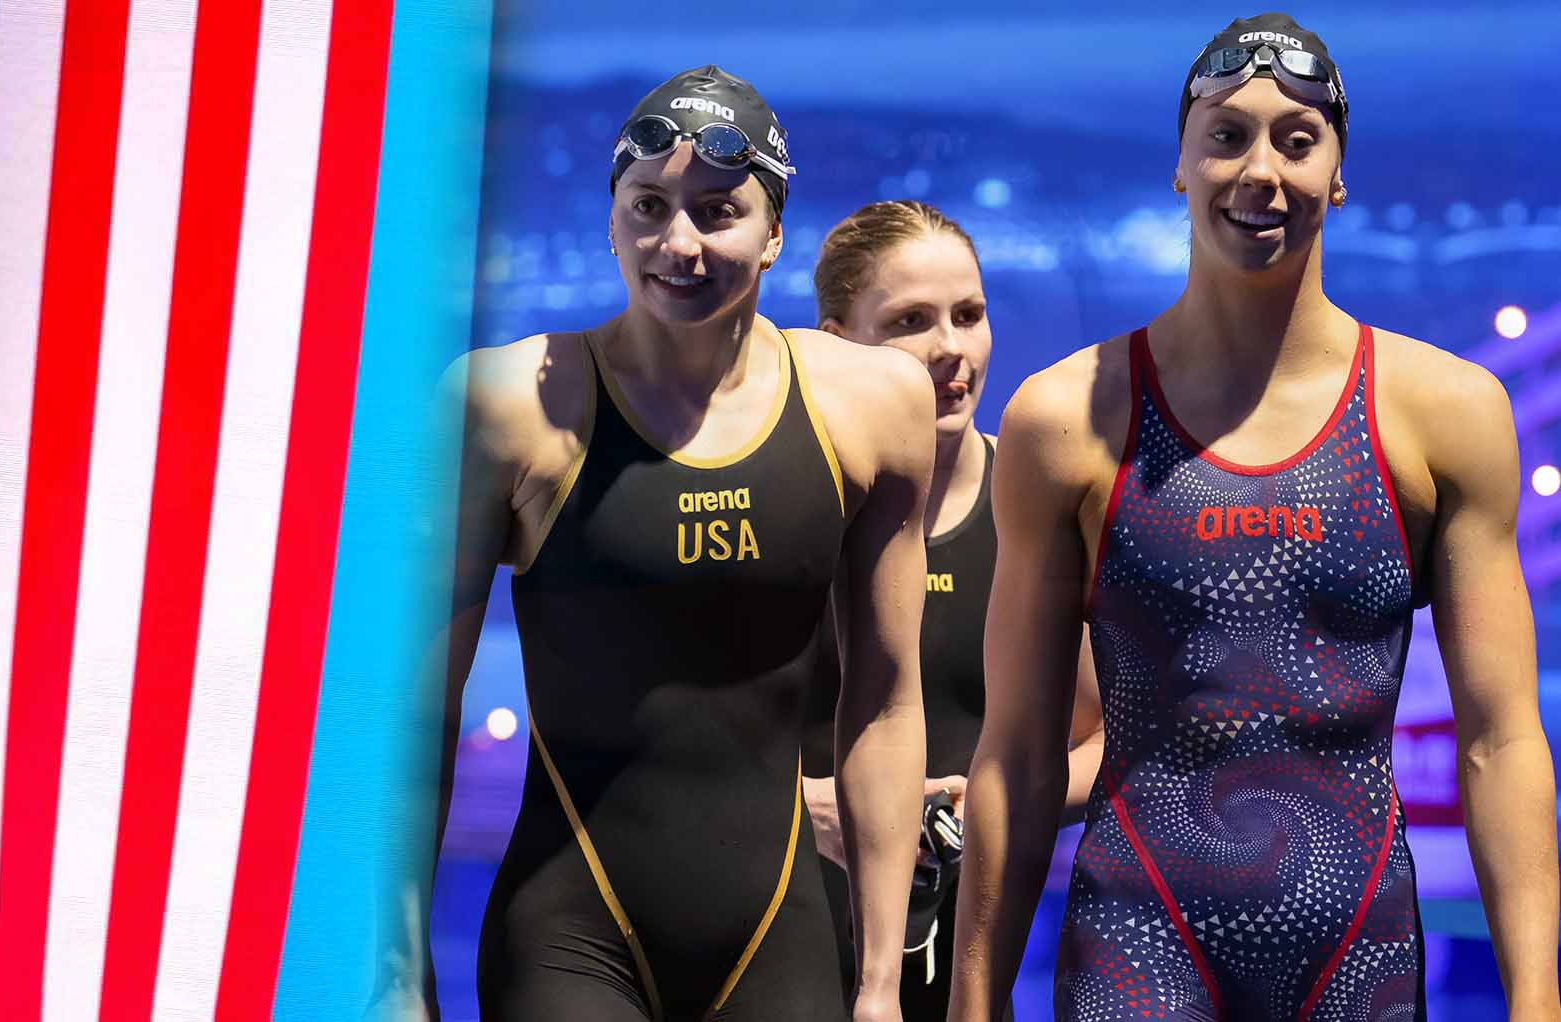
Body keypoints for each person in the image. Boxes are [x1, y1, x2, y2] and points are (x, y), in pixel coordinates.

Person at [949, 13, 1561, 1021]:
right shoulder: (1066, 422)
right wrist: (972, 1003)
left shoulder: (1441, 416)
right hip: (1136, 949)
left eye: (1296, 139)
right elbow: (1015, 754)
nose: (1260, 172)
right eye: (1226, 136)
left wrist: (1535, 997)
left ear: (1337, 172)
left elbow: (1497, 739)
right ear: (1180, 165)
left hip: (1354, 959)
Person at [432, 66, 935, 1021]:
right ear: (611, 221)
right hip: (568, 937)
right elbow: (419, 715)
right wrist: (391, 964)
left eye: (717, 211)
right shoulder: (513, 407)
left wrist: (879, 986)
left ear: (774, 233)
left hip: (776, 936)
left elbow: (883, 703)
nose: (678, 243)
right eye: (648, 206)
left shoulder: (871, 403)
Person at [796, 200, 1104, 1020]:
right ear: (834, 343)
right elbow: (683, 742)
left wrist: (988, 803)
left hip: (963, 971)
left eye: (967, 315)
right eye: (911, 322)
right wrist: (804, 808)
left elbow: (1106, 742)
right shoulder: (788, 512)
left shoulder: (1035, 514)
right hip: (779, 951)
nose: (950, 348)